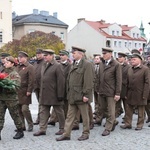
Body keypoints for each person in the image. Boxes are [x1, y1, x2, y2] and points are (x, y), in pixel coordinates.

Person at [56, 46, 94, 141]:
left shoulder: (87, 64)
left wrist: (86, 95)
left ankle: (85, 133)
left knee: (85, 116)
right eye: (72, 53)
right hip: (73, 95)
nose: (72, 54)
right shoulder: (73, 64)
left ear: (81, 54)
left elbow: (88, 81)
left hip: (81, 95)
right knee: (69, 116)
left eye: (74, 53)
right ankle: (66, 134)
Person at [33, 49, 65, 136]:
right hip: (45, 93)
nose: (44, 57)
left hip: (54, 94)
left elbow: (61, 81)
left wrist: (60, 94)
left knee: (59, 112)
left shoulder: (57, 66)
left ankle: (63, 128)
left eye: (46, 55)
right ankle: (42, 129)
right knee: (44, 111)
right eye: (44, 55)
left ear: (51, 56)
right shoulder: (44, 64)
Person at [120, 53, 150, 130]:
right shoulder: (130, 69)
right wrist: (126, 93)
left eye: (134, 59)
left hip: (140, 93)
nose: (132, 61)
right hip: (130, 93)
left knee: (141, 110)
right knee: (128, 109)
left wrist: (145, 95)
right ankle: (128, 123)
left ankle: (139, 125)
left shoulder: (145, 69)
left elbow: (147, 83)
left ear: (139, 60)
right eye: (131, 60)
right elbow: (127, 82)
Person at [99, 47, 122, 136]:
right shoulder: (102, 63)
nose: (103, 55)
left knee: (111, 110)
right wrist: (98, 88)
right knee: (102, 108)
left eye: (105, 53)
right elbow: (99, 77)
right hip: (102, 90)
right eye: (103, 53)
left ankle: (108, 128)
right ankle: (114, 121)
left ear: (110, 54)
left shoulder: (116, 65)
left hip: (111, 91)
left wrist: (117, 93)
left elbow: (118, 80)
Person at [0, 56, 24, 140]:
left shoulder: (15, 74)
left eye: (7, 62)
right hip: (1, 98)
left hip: (11, 99)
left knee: (15, 115)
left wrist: (6, 86)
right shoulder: (2, 72)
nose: (5, 63)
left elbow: (16, 87)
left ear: (12, 63)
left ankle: (20, 130)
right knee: (0, 116)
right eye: (4, 62)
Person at [48, 50, 71, 125]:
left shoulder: (70, 65)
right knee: (57, 104)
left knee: (66, 106)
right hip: (58, 87)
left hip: (67, 87)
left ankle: (66, 121)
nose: (61, 56)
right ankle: (53, 119)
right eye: (60, 55)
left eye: (63, 55)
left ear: (67, 56)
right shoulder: (58, 65)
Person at [16, 51, 35, 132]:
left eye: (21, 57)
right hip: (17, 90)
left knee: (25, 109)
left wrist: (29, 90)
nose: (20, 59)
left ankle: (30, 124)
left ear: (25, 58)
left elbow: (32, 80)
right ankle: (22, 125)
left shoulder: (30, 67)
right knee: (19, 109)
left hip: (25, 91)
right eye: (19, 57)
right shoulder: (17, 67)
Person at [116, 52, 130, 123]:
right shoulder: (116, 65)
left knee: (126, 105)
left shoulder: (128, 67)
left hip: (125, 88)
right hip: (117, 88)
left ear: (124, 58)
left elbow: (129, 78)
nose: (119, 58)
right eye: (119, 57)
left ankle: (127, 119)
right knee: (116, 105)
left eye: (121, 57)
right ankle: (114, 118)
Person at [33, 48, 45, 125]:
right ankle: (43, 115)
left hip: (43, 86)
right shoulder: (35, 63)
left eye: (40, 54)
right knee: (39, 102)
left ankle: (40, 118)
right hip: (36, 86)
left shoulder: (45, 63)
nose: (38, 55)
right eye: (37, 54)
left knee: (41, 103)